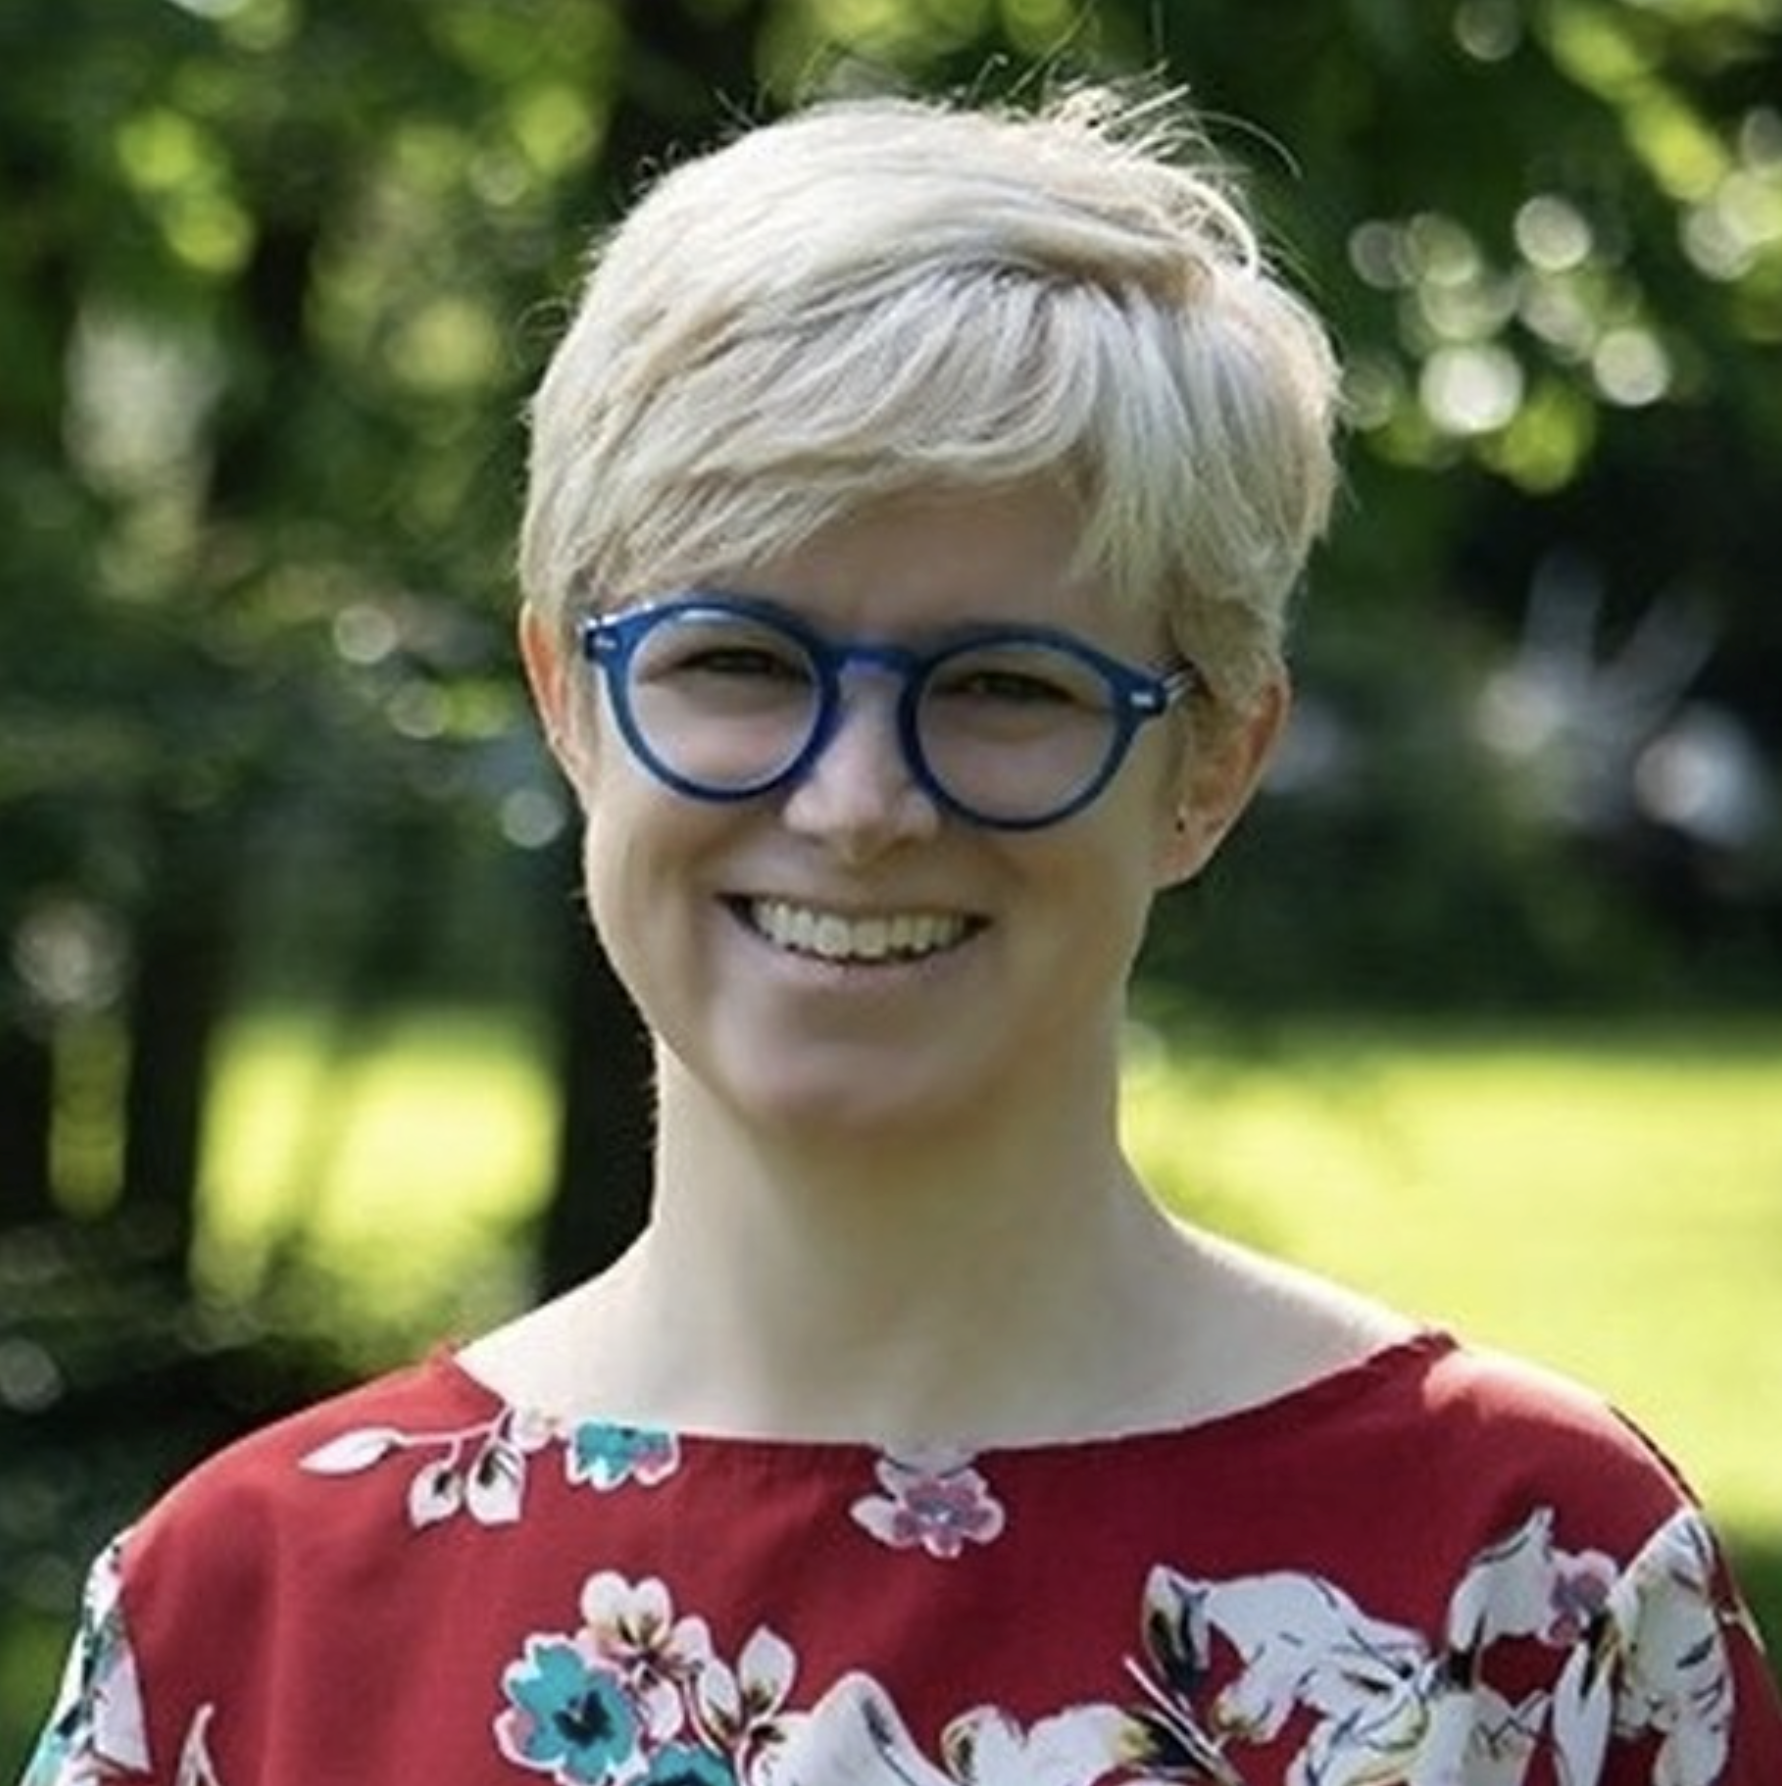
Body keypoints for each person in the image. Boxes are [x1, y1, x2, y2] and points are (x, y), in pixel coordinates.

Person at [23, 83, 1782, 1786]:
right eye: (738, 660)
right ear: (568, 699)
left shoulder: (1527, 1595)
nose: (859, 801)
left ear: (1210, 760)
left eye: (1004, 684)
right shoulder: (244, 1619)